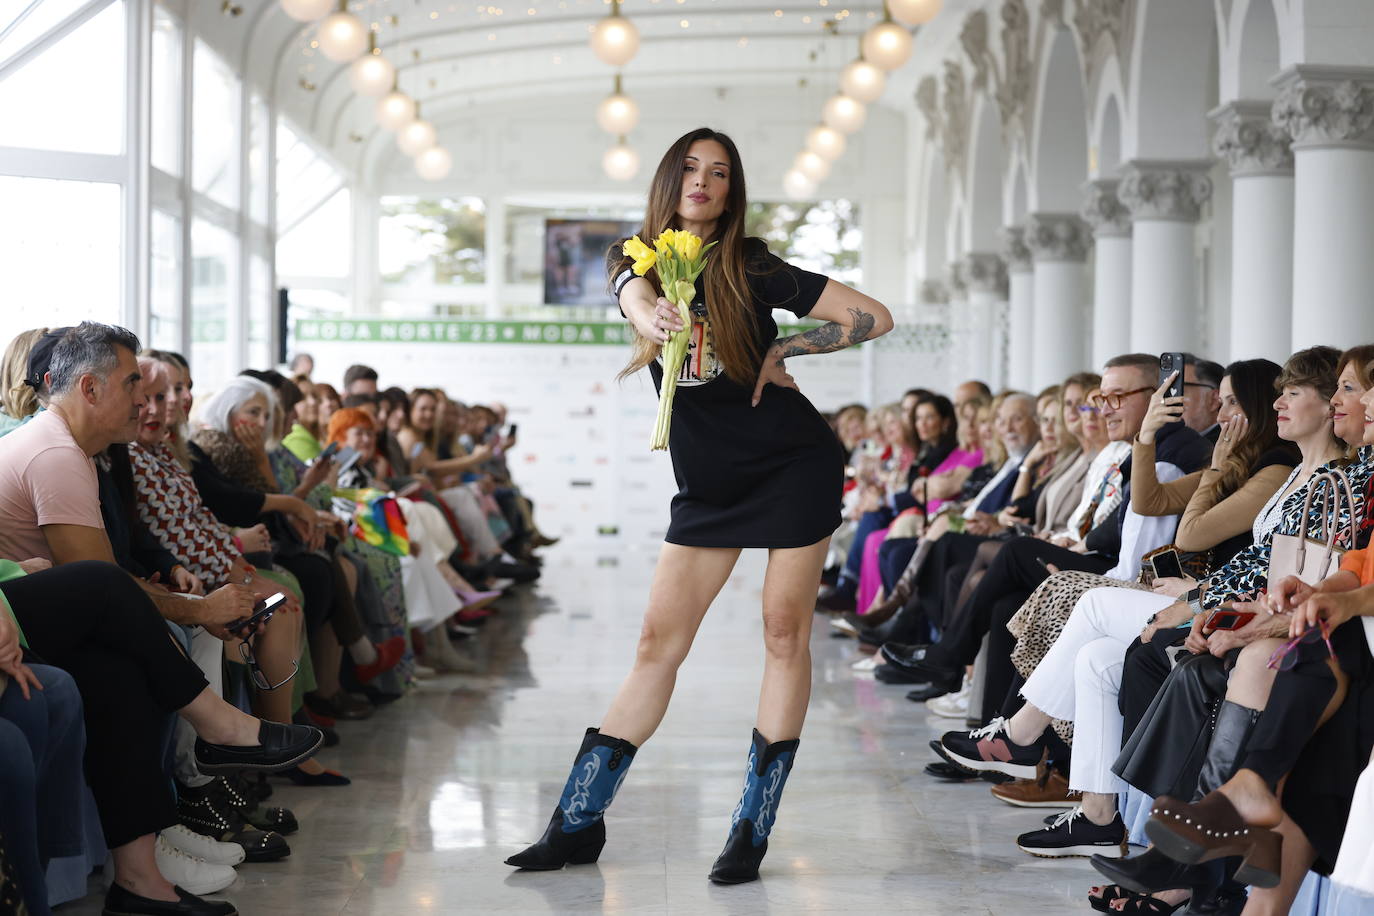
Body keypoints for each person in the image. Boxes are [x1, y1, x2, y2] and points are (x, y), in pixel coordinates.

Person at [505, 127, 893, 883]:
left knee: (783, 635)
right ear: (668, 178)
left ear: (732, 188)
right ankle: (576, 821)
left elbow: (872, 315)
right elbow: (632, 291)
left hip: (793, 465)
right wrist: (649, 314)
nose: (703, 181)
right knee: (657, 642)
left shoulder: (752, 265)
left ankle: (751, 829)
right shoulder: (636, 255)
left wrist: (789, 350)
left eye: (719, 172)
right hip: (710, 486)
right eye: (690, 167)